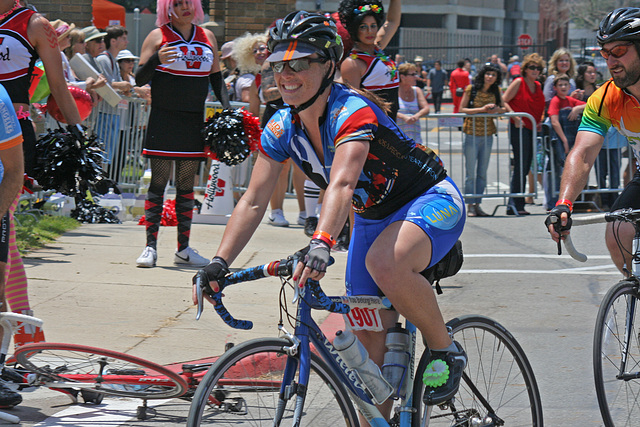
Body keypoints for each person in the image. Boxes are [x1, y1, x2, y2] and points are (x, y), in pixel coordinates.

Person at [194, 11, 467, 423]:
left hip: (428, 199)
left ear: (327, 67)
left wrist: (321, 243)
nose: (286, 74)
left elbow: (341, 184)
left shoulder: (351, 111)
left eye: (299, 63)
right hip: (373, 216)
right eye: (279, 65)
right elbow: (252, 200)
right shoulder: (281, 125)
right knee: (366, 333)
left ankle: (445, 347)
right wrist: (219, 263)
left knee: (384, 264)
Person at [0, 0, 85, 407]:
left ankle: (24, 346)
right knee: (8, 242)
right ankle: (26, 345)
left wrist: (80, 135)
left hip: (10, 137)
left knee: (4, 238)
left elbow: (58, 83)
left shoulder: (33, 23)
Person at [134, 0, 230, 268]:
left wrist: (228, 110)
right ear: (167, 8)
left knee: (186, 187)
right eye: (177, 3)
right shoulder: (158, 36)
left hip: (192, 123)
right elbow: (139, 79)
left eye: (189, 1)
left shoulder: (206, 36)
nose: (185, 7)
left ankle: (183, 249)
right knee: (158, 184)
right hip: (163, 121)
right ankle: (150, 248)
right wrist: (157, 59)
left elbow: (217, 79)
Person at [546, 7, 640, 275]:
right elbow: (584, 153)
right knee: (617, 233)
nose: (611, 61)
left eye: (619, 51)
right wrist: (563, 203)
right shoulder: (605, 98)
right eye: (605, 53)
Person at [338, 0, 401, 120]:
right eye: (363, 27)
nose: (369, 31)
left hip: (391, 126)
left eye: (373, 26)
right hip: (373, 128)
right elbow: (352, 105)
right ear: (355, 29)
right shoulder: (353, 63)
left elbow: (393, 21)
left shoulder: (377, 48)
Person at [459, 64, 508, 217]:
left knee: (482, 172)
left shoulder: (496, 91)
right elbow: (462, 109)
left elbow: (504, 108)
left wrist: (496, 110)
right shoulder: (471, 89)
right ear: (483, 75)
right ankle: (470, 206)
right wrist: (482, 109)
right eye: (488, 74)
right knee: (470, 173)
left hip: (487, 134)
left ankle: (478, 204)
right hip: (471, 133)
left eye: (493, 75)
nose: (490, 77)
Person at [502, 52, 546, 215]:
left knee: (526, 164)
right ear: (525, 69)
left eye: (538, 68)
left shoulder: (538, 85)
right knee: (521, 164)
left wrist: (539, 120)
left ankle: (518, 203)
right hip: (518, 127)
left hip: (532, 128)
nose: (535, 70)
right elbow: (504, 100)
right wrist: (515, 116)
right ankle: (514, 204)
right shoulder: (518, 82)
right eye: (532, 67)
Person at [545, 74, 587, 209]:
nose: (563, 87)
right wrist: (564, 141)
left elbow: (590, 105)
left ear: (570, 87)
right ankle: (554, 202)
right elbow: (554, 121)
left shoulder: (570, 100)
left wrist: (576, 108)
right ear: (555, 87)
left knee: (571, 169)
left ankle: (569, 201)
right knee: (557, 170)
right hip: (559, 139)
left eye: (565, 85)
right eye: (560, 85)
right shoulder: (555, 101)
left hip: (572, 139)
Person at [396, 62, 429, 145]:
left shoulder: (417, 90)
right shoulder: (394, 91)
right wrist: (403, 117)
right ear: (403, 77)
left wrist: (415, 117)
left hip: (415, 140)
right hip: (398, 140)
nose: (416, 77)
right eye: (413, 74)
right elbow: (387, 109)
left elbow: (426, 108)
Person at [231, 32, 265, 103]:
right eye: (254, 51)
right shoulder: (256, 81)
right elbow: (253, 111)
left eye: (262, 48)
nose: (258, 52)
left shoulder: (281, 73)